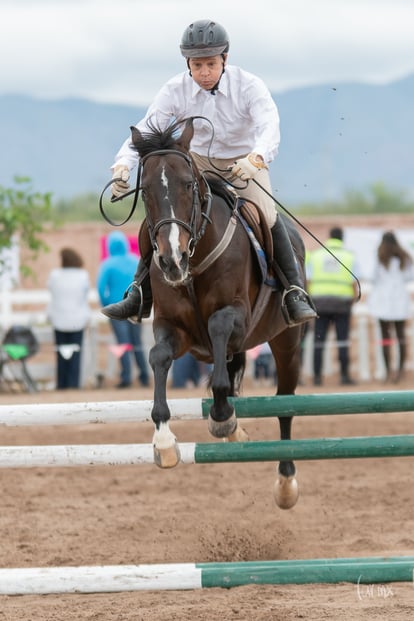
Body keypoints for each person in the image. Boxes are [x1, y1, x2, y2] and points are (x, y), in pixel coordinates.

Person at [101, 18, 316, 328]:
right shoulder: (174, 89)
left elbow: (269, 126)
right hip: (198, 160)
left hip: (244, 162)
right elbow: (148, 127)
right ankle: (139, 293)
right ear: (188, 63)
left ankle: (293, 291)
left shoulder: (250, 85)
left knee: (267, 215)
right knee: (162, 214)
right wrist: (123, 165)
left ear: (225, 59)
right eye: (197, 65)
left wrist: (256, 158)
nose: (203, 72)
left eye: (210, 64)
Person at [306, 227, 359, 386]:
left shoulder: (315, 256)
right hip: (342, 305)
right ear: (342, 238)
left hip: (320, 303)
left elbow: (308, 281)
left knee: (319, 341)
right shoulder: (350, 256)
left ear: (329, 237)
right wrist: (352, 302)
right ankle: (344, 376)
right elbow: (354, 284)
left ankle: (317, 377)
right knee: (342, 340)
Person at [97, 231, 150, 388]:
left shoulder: (107, 264)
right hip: (135, 307)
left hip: (117, 308)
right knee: (137, 342)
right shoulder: (136, 260)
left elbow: (101, 288)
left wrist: (107, 304)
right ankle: (144, 376)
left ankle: (126, 377)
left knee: (123, 343)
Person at [367, 231, 414, 383]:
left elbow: (372, 278)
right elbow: (409, 277)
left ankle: (388, 372)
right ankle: (400, 372)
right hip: (400, 301)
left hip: (383, 302)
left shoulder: (380, 258)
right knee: (401, 337)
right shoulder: (404, 258)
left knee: (385, 338)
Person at [47, 248, 90, 389]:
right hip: (77, 319)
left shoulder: (55, 275)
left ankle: (62, 384)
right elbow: (84, 296)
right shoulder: (83, 275)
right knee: (75, 355)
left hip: (59, 318)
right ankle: (73, 384)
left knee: (61, 354)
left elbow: (51, 291)